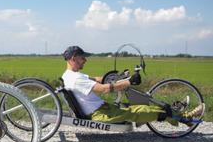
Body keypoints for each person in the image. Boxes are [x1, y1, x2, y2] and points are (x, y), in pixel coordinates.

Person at [61, 45, 204, 126]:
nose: (85, 60)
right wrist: (129, 82)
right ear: (73, 58)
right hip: (100, 114)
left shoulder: (69, 75)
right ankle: (186, 117)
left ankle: (175, 112)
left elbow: (98, 80)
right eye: (82, 57)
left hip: (103, 109)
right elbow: (104, 89)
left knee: (136, 106)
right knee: (138, 110)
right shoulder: (76, 79)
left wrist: (121, 78)